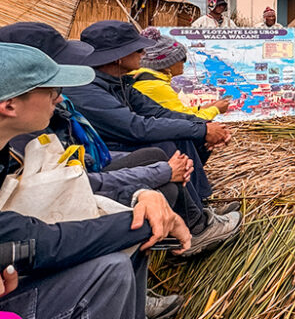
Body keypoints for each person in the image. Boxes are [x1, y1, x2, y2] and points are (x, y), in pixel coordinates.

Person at [0, 42, 191, 319]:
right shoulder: (25, 144)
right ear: (10, 105)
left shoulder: (10, 151)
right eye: (52, 90)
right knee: (109, 270)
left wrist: (141, 197)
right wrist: (147, 221)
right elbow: (37, 240)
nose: (58, 98)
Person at [62, 21, 242, 256]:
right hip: (106, 152)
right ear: (118, 57)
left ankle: (199, 207)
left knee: (182, 135)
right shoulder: (88, 89)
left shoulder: (118, 83)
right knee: (164, 145)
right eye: (138, 49)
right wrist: (201, 129)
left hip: (119, 144)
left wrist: (202, 127)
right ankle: (195, 229)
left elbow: (158, 112)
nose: (144, 54)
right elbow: (135, 127)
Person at [131, 27, 231, 121]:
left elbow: (178, 112)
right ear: (167, 64)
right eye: (182, 59)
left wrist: (207, 107)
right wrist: (216, 109)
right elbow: (185, 122)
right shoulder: (156, 86)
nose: (184, 63)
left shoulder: (146, 78)